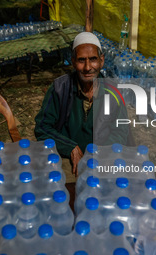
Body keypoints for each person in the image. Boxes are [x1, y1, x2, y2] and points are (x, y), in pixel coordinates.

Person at [34, 32, 132, 178]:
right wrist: (70, 148)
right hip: (67, 158)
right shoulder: (59, 89)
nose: (87, 67)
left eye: (93, 59)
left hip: (103, 158)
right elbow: (42, 127)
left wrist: (100, 153)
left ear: (102, 60)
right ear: (73, 61)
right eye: (81, 60)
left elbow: (121, 131)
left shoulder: (114, 93)